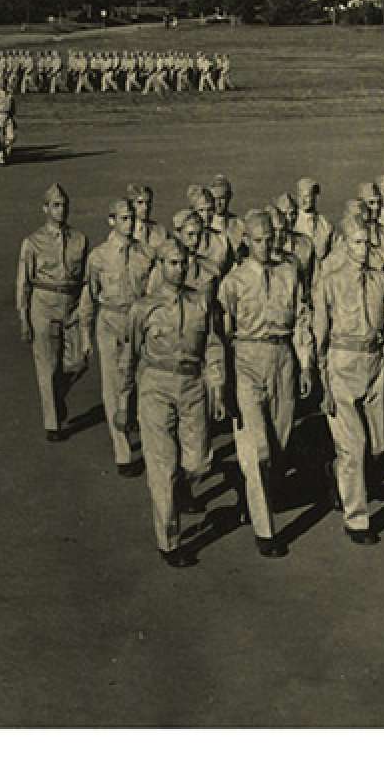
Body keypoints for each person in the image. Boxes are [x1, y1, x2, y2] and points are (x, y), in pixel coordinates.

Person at [216, 210, 316, 558]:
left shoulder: (289, 273)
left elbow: (303, 320)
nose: (265, 245)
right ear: (246, 241)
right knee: (256, 446)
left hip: (283, 358)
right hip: (247, 359)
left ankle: (249, 489)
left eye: (269, 238)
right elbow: (223, 335)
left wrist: (305, 366)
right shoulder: (233, 281)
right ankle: (265, 530)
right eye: (257, 240)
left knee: (279, 443)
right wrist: (224, 381)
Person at [129, 221, 228, 568]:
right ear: (160, 266)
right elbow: (131, 355)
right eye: (172, 263)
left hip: (193, 387)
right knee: (163, 467)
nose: (179, 268)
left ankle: (181, 490)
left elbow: (213, 345)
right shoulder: (144, 308)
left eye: (183, 262)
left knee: (199, 461)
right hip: (156, 386)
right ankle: (169, 541)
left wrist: (216, 386)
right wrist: (129, 400)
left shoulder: (201, 302)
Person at [313, 217, 384, 545]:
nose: (363, 249)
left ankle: (337, 472)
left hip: (375, 365)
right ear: (343, 244)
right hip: (341, 364)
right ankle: (357, 520)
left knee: (378, 446)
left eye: (368, 243)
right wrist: (322, 380)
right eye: (356, 243)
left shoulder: (383, 283)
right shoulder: (330, 282)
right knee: (354, 447)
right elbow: (319, 337)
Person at [14, 184, 91, 443]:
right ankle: (53, 423)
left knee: (79, 361)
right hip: (43, 303)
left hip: (72, 303)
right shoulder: (32, 242)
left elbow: (85, 279)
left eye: (64, 205)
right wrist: (24, 318)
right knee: (47, 365)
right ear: (45, 208)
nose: (62, 210)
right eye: (56, 205)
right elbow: (23, 283)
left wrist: (85, 309)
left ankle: (56, 397)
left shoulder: (80, 240)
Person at [87, 200, 154, 476]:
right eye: (123, 218)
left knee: (142, 382)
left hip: (137, 321)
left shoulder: (145, 254)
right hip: (110, 321)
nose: (129, 223)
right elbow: (89, 296)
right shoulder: (99, 256)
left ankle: (150, 443)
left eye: (131, 218)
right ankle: (123, 452)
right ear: (111, 220)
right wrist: (83, 334)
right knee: (113, 386)